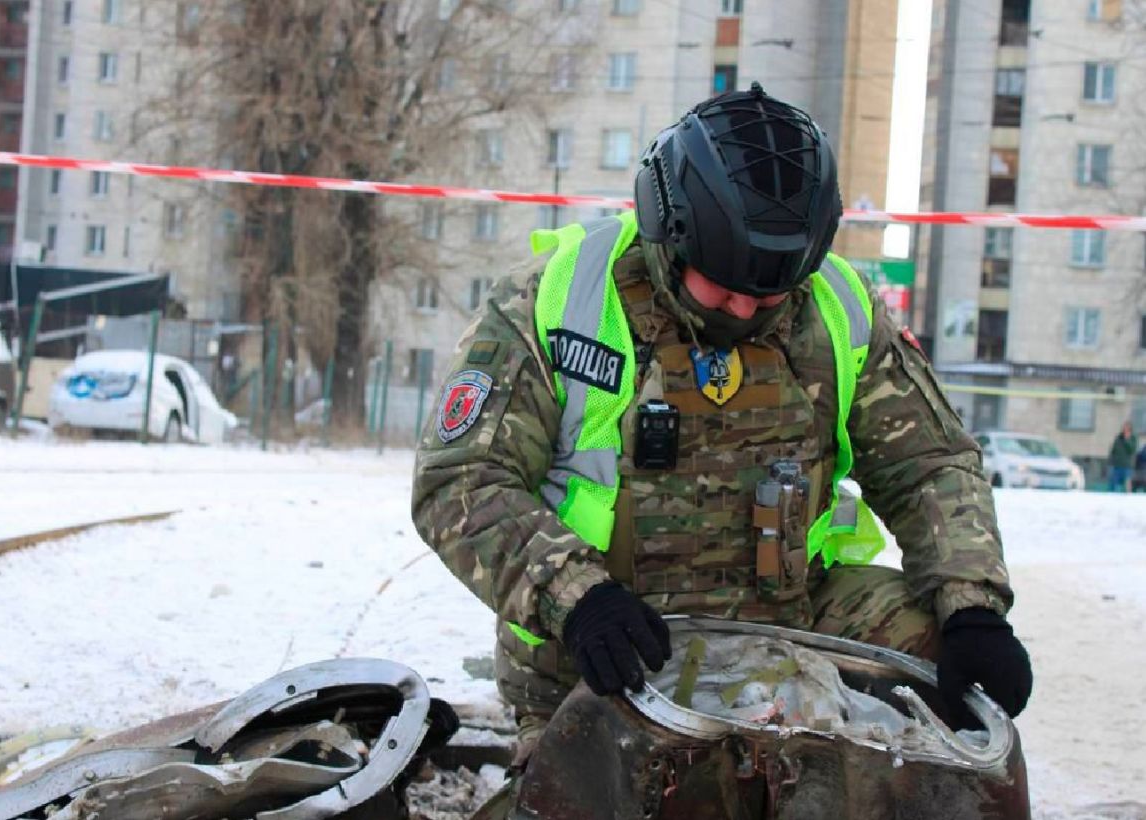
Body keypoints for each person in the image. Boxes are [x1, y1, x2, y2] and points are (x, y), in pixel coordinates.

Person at [412, 85, 1032, 764]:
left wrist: (971, 605)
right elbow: (460, 482)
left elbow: (932, 463)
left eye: (769, 290)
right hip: (609, 648)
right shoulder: (558, 301)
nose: (744, 307)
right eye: (724, 284)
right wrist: (575, 598)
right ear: (668, 227)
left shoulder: (839, 309)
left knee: (948, 667)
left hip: (791, 622)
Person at [1109, 421, 1137, 492]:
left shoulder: (1133, 438)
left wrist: (1127, 440)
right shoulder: (1118, 438)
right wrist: (1112, 460)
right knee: (1115, 485)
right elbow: (1113, 450)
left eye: (1127, 428)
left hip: (1126, 466)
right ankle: (1114, 498)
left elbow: (1132, 450)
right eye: (1124, 428)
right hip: (1116, 465)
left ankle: (1128, 498)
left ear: (1130, 430)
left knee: (1127, 483)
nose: (1125, 430)